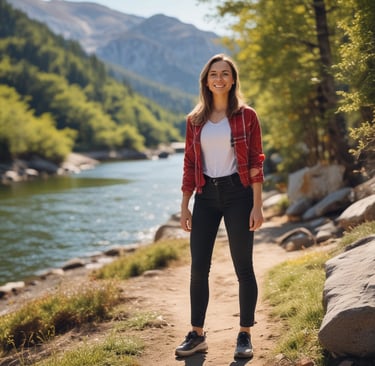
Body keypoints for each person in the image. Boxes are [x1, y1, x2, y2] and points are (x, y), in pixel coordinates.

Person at [175, 53, 265, 359]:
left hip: (238, 193)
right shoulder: (194, 120)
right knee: (198, 267)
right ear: (206, 80)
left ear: (233, 79)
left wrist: (257, 205)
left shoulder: (246, 116)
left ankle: (244, 334)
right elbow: (189, 163)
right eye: (214, 73)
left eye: (225, 73)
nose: (219, 78)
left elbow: (255, 162)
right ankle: (197, 334)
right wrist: (185, 204)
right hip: (206, 197)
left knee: (244, 267)